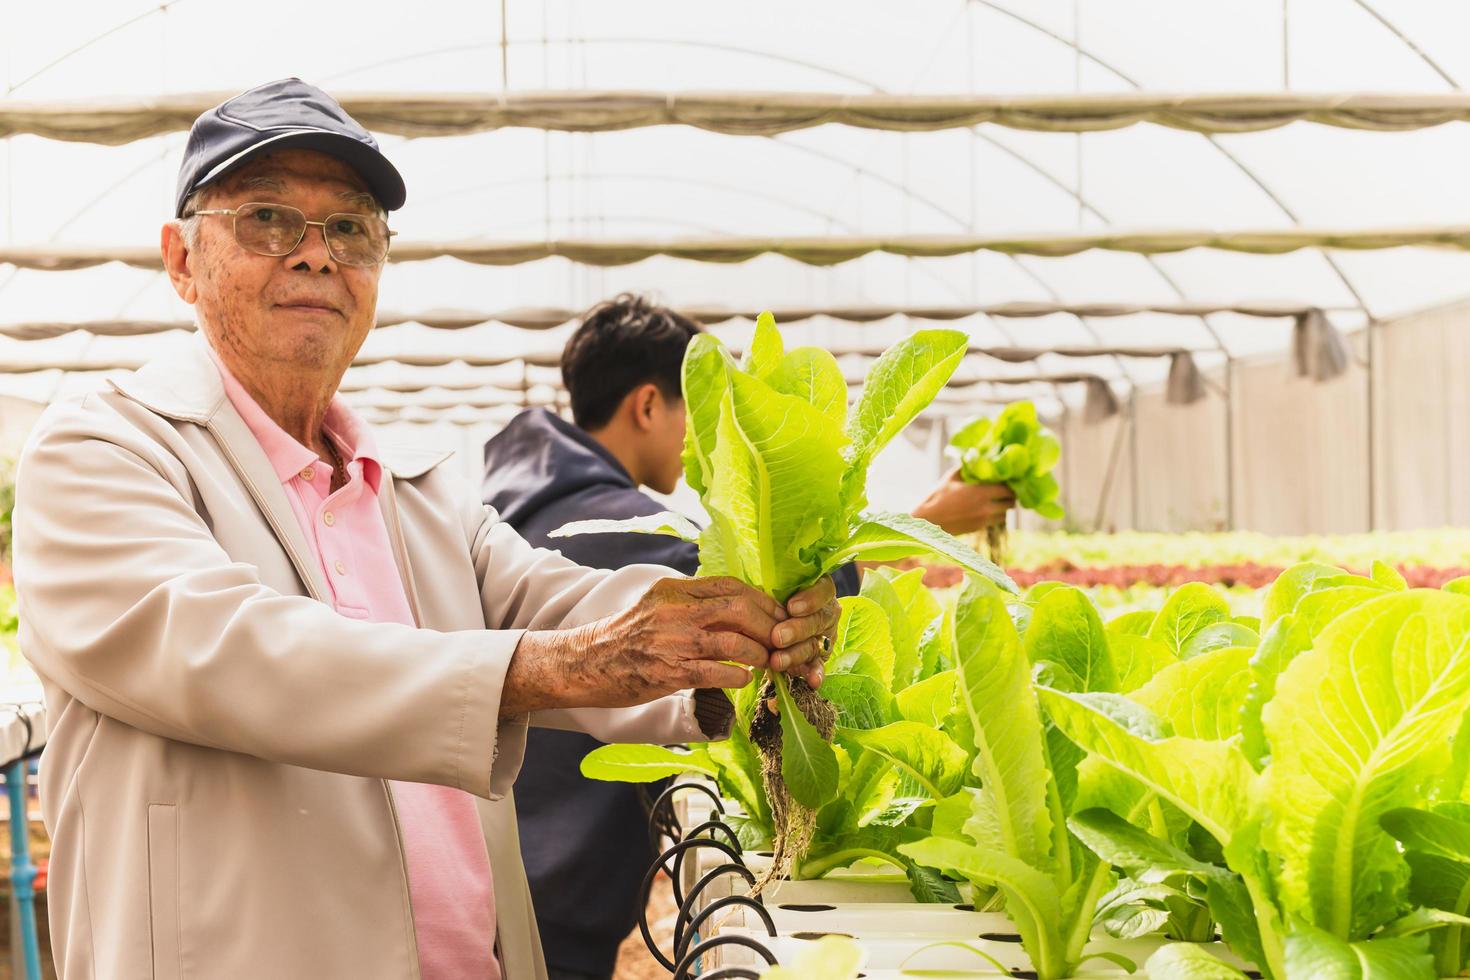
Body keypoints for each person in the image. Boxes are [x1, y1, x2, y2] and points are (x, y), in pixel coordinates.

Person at [11, 80, 840, 980]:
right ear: (181, 260)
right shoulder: (103, 450)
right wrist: (554, 665)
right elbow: (234, 652)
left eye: (352, 229)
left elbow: (555, 601)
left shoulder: (411, 487)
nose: (318, 256)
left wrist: (733, 636)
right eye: (268, 221)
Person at [481, 294, 1015, 980]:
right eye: (693, 413)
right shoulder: (621, 530)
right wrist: (927, 521)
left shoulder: (502, 514)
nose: (698, 439)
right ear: (648, 406)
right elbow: (752, 601)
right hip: (557, 885)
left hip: (494, 854)